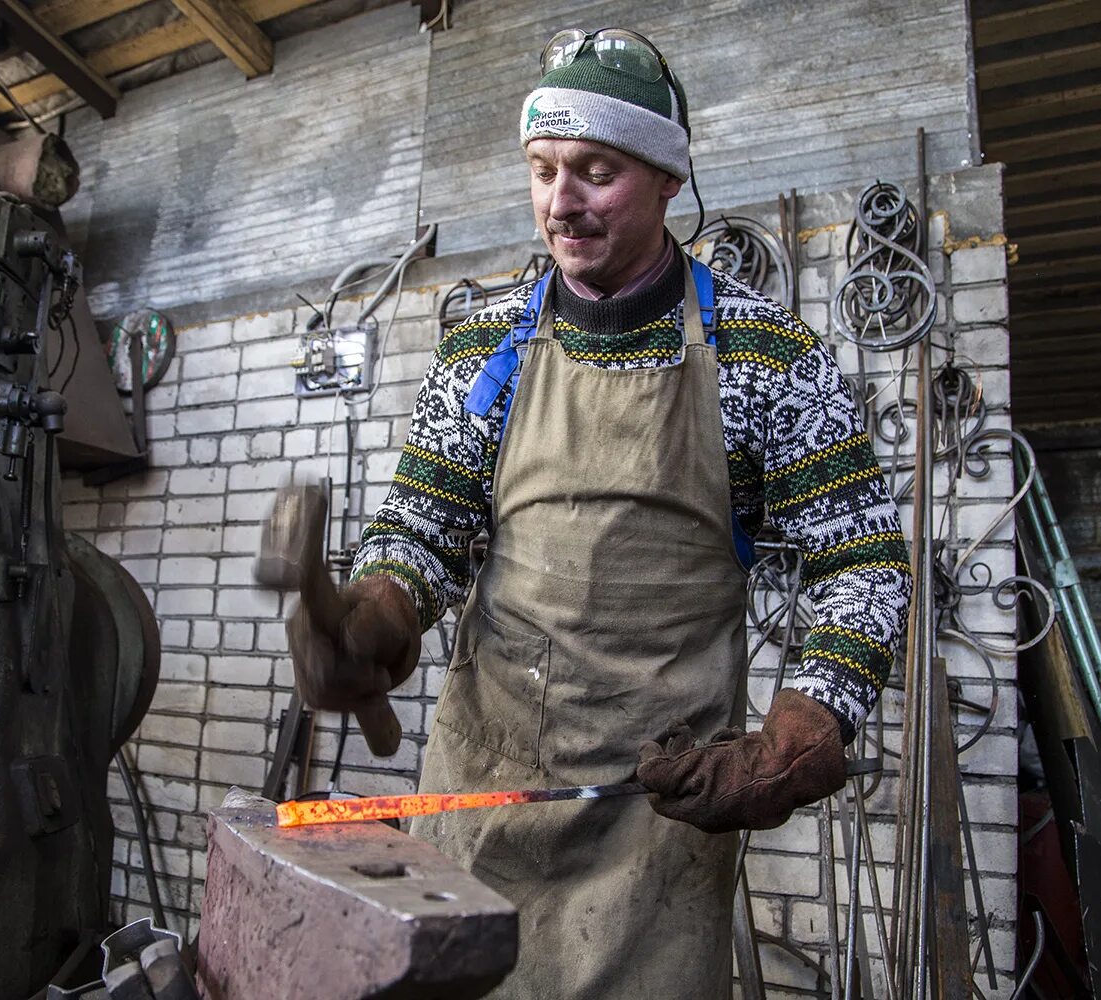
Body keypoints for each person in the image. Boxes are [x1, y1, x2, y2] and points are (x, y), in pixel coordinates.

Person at [287, 27, 911, 999]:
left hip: (657, 828)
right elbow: (421, 527)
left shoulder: (765, 355)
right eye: (542, 171)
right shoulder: (482, 351)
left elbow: (860, 558)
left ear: (667, 177)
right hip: (481, 805)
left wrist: (808, 721)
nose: (561, 202)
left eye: (594, 170)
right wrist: (379, 613)